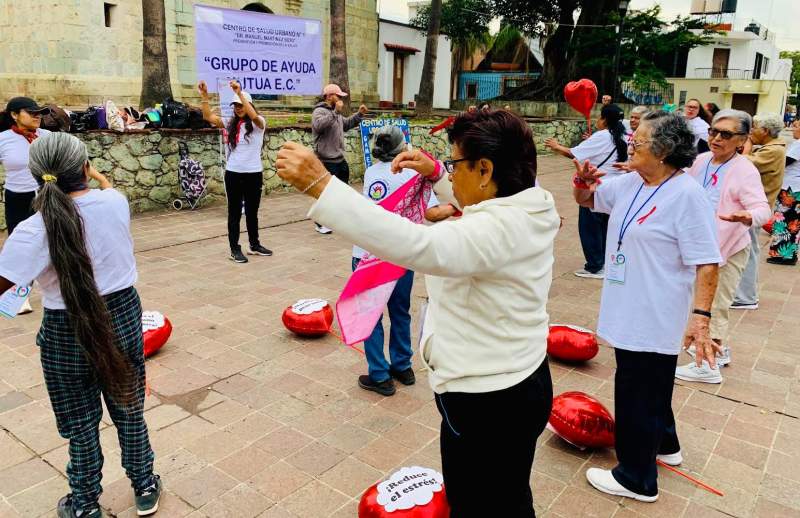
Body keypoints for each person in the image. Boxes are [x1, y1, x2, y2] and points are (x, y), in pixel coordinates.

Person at [276, 109, 559, 517]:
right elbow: (479, 209)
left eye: (454, 163)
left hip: (487, 403)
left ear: (484, 169)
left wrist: (324, 187)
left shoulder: (498, 231)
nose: (449, 171)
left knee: (479, 504)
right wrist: (438, 176)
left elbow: (417, 245)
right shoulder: (530, 205)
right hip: (520, 382)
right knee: (509, 496)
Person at [0, 133, 161, 518]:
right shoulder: (115, 203)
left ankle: (85, 503)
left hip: (64, 333)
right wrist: (95, 175)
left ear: (39, 177)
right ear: (86, 168)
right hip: (122, 319)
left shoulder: (32, 230)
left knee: (80, 425)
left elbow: (5, 290)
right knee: (128, 411)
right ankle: (145, 486)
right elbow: (105, 189)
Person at [572, 111, 720, 502]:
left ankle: (636, 477)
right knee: (651, 385)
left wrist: (701, 319)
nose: (631, 143)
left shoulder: (687, 195)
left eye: (638, 139)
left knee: (638, 390)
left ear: (664, 149)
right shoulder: (631, 182)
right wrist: (582, 182)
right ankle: (665, 445)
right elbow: (588, 199)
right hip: (628, 304)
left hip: (655, 311)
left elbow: (707, 260)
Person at [354, 125, 455, 396]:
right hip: (402, 253)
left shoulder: (371, 173)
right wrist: (456, 207)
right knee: (400, 311)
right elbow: (432, 214)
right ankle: (403, 366)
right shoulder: (414, 174)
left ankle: (379, 375)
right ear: (402, 146)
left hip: (368, 255)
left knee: (372, 316)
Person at [673, 109, 770, 384]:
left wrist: (747, 216)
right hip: (700, 246)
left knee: (715, 305)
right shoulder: (701, 160)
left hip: (726, 248)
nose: (716, 138)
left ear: (742, 140)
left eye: (725, 134)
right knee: (703, 301)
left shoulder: (745, 169)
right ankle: (719, 351)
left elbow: (763, 209)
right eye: (713, 131)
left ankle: (708, 366)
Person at [545, 104, 628, 279]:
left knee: (589, 227)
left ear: (604, 119)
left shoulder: (603, 135)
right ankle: (604, 262)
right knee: (605, 227)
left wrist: (556, 145)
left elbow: (574, 154)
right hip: (616, 189)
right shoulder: (624, 135)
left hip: (595, 187)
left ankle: (594, 266)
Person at [199, 80, 272, 263]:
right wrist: (205, 96)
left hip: (254, 173)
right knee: (234, 212)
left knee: (252, 211)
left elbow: (253, 115)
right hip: (233, 173)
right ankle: (234, 248)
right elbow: (209, 117)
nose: (238, 108)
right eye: (235, 106)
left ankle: (254, 244)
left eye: (241, 105)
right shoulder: (230, 123)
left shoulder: (258, 123)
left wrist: (240, 93)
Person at [0, 96, 52, 314]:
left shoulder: (48, 137)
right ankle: (18, 296)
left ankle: (62, 290)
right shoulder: (3, 139)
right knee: (20, 246)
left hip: (47, 194)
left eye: (39, 113)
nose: (37, 117)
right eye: (32, 113)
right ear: (14, 115)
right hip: (18, 198)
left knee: (55, 241)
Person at [732, 112, 787, 309]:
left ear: (765, 131)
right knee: (748, 250)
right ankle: (744, 294)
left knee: (747, 252)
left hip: (755, 209)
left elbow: (743, 162)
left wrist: (745, 143)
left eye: (754, 127)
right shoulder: (769, 147)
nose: (751, 131)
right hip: (754, 208)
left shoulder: (773, 151)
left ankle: (745, 296)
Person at [311, 83, 368, 234]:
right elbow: (319, 126)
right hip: (326, 161)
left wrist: (359, 115)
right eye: (339, 96)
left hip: (339, 159)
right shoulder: (319, 111)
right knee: (325, 193)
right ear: (330, 96)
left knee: (341, 191)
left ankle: (338, 219)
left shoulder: (334, 112)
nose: (341, 98)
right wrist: (335, 112)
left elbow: (346, 124)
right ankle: (320, 222)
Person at [767, 118, 800, 265]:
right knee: (792, 222)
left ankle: (783, 255)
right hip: (795, 188)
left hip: (790, 189)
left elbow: (784, 161)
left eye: (796, 127)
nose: (793, 130)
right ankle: (789, 255)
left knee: (784, 221)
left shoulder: (798, 145)